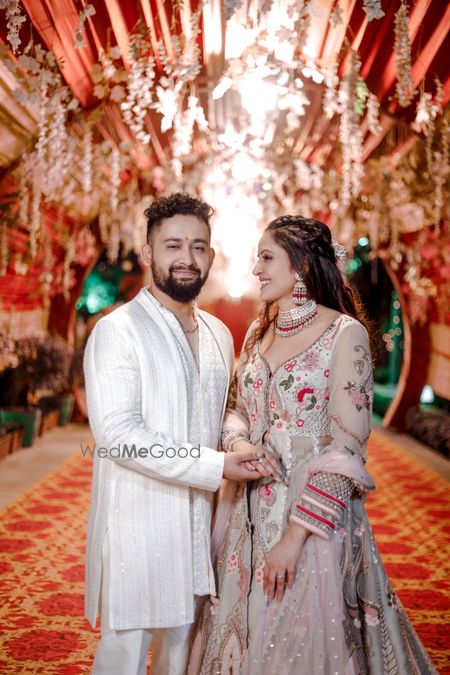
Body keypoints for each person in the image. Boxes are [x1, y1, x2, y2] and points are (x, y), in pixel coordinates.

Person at [189, 215, 437, 674]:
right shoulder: (258, 332)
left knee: (295, 635)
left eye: (266, 258)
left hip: (309, 517)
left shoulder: (344, 334)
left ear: (301, 264)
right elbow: (237, 409)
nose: (256, 269)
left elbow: (348, 450)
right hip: (244, 510)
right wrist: (238, 443)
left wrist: (295, 536)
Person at [83, 192, 280, 675]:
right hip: (136, 524)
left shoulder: (218, 333)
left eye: (198, 247)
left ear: (212, 256)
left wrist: (236, 441)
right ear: (148, 253)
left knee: (182, 657)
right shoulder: (118, 331)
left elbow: (221, 412)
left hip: (198, 526)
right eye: (173, 246)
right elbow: (118, 434)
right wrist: (217, 465)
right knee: (124, 658)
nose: (186, 258)